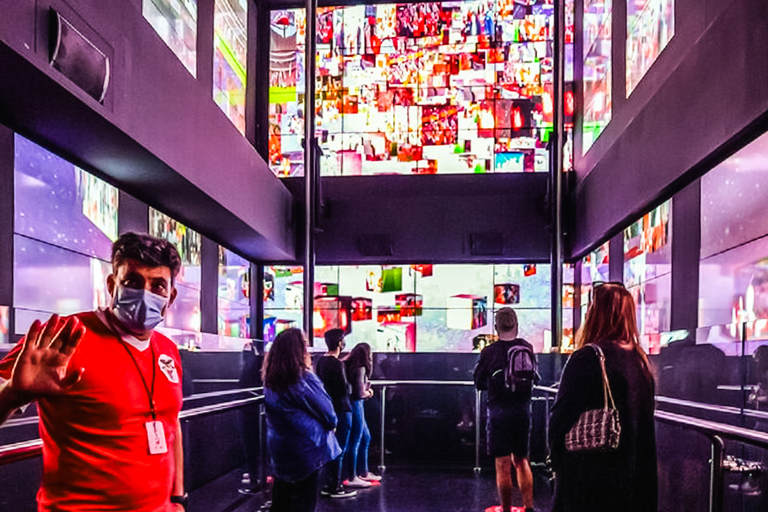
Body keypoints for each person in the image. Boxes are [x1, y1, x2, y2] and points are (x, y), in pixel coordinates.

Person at [0, 232, 187, 511]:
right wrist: (13, 394)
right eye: (132, 281)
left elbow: (170, 425)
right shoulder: (65, 337)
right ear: (112, 285)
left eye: (157, 285)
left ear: (170, 296)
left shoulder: (168, 350)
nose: (145, 292)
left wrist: (177, 497)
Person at [548, 282, 657, 512]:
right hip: (632, 474)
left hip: (588, 473)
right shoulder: (640, 360)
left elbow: (561, 419)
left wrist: (557, 463)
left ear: (596, 314)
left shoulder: (587, 357)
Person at [262, 328, 341, 512]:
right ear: (299, 350)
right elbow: (328, 413)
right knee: (304, 502)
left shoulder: (270, 379)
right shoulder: (303, 377)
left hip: (280, 449)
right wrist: (332, 425)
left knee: (282, 500)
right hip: (307, 449)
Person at [474, 307, 536, 512]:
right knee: (522, 460)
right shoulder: (526, 347)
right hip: (522, 410)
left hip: (498, 412)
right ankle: (528, 507)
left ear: (496, 327)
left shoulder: (489, 351)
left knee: (502, 464)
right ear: (516, 325)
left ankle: (506, 509)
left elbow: (479, 382)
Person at [315, 329, 357, 499]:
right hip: (342, 409)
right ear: (340, 342)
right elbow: (345, 388)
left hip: (328, 409)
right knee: (340, 448)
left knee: (331, 448)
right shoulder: (337, 364)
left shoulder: (321, 361)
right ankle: (335, 485)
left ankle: (329, 483)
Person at [343, 342, 382, 488]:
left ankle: (362, 472)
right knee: (356, 439)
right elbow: (359, 392)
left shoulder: (348, 366)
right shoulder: (361, 369)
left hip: (352, 404)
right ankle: (353, 475)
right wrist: (369, 392)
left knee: (365, 437)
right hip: (356, 404)